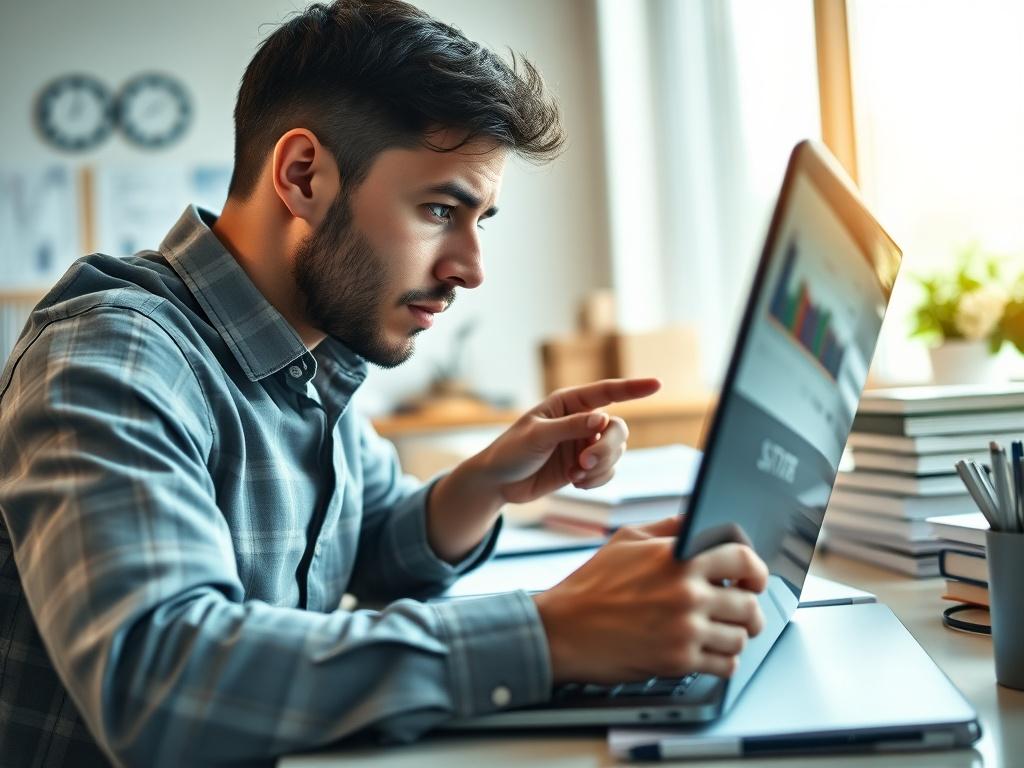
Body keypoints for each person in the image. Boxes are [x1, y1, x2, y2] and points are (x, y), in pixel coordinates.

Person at [0, 1, 769, 766]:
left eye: (480, 221)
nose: (470, 268)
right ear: (303, 177)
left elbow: (367, 549)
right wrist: (552, 632)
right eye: (440, 209)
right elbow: (159, 681)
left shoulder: (310, 357)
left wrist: (485, 484)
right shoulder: (116, 356)